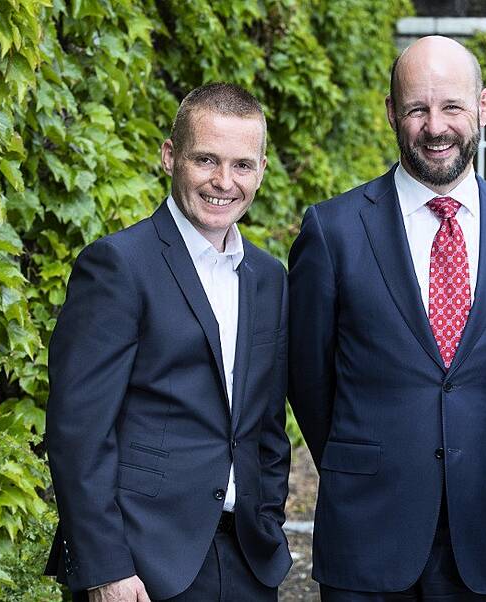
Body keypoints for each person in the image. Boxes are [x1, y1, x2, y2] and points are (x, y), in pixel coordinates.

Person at [288, 35, 486, 601]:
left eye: (452, 107)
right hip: (368, 534)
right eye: (416, 108)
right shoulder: (333, 231)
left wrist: (478, 448)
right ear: (392, 112)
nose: (435, 127)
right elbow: (308, 380)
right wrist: (365, 462)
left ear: (483, 107)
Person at [45, 83, 292, 601]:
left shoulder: (269, 278)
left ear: (262, 170)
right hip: (142, 567)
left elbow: (266, 425)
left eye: (242, 165)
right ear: (169, 156)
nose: (224, 182)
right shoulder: (117, 266)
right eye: (206, 160)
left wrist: (267, 516)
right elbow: (78, 433)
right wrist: (104, 567)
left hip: (248, 561)